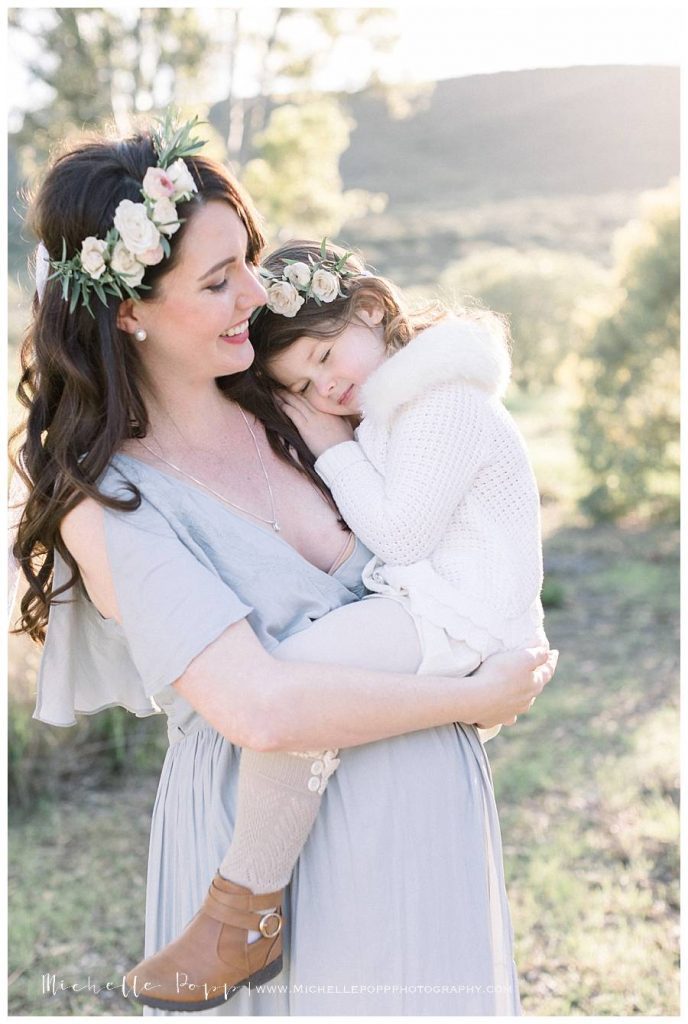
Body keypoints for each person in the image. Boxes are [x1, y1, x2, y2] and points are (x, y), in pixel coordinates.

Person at [11, 117, 557, 1016]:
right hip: (281, 860)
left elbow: (447, 525)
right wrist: (476, 694)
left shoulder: (301, 401)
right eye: (221, 280)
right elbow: (260, 704)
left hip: (428, 827)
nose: (257, 296)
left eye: (252, 263)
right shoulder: (109, 501)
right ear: (129, 311)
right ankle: (236, 921)